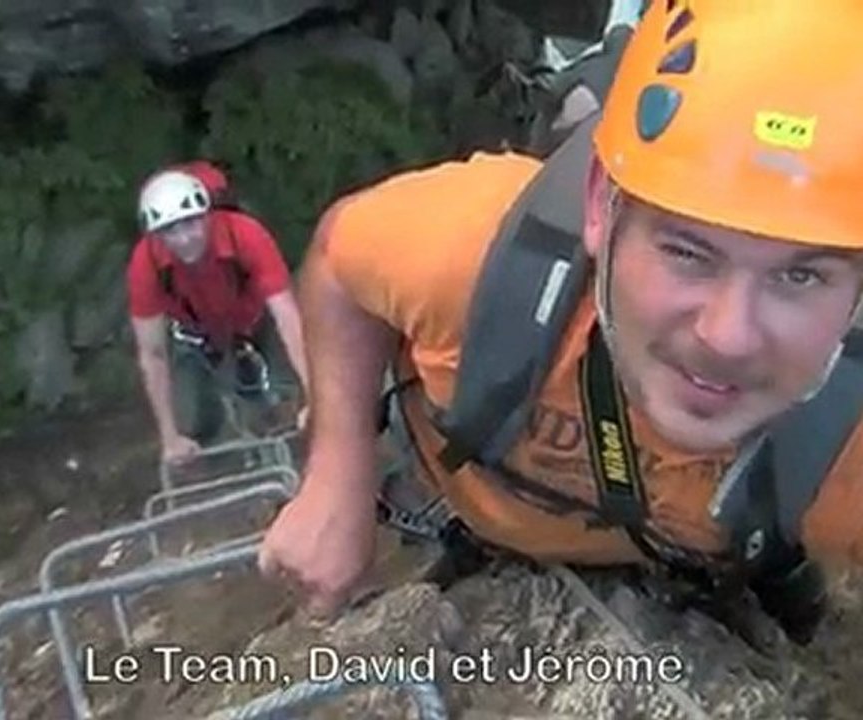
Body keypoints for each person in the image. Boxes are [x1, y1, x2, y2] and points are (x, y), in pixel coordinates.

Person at [259, 0, 863, 645]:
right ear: (600, 206)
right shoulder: (475, 255)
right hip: (451, 508)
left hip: (695, 571)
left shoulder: (848, 452)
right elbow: (339, 263)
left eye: (802, 277)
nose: (728, 336)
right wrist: (337, 473)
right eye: (687, 253)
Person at [126, 161, 308, 463]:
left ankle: (299, 452)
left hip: (256, 318)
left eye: (191, 224)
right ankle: (223, 456)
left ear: (207, 216)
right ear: (157, 235)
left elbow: (287, 317)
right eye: (171, 231)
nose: (184, 239)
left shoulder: (245, 235)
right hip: (196, 334)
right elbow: (153, 352)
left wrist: (314, 396)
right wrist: (170, 437)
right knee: (193, 426)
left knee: (289, 397)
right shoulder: (146, 265)